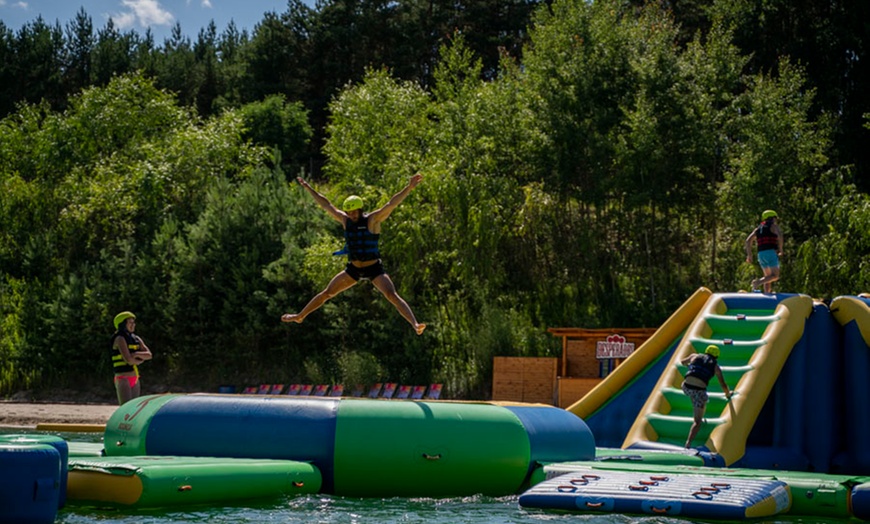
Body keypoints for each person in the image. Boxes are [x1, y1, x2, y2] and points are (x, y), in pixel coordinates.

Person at [282, 174, 427, 335]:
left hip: (374, 268)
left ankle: (414, 324)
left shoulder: (373, 220)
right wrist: (309, 188)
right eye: (349, 212)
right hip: (353, 269)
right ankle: (300, 316)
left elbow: (392, 204)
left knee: (391, 295)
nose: (351, 215)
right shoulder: (345, 221)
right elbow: (326, 205)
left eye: (354, 212)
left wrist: (409, 188)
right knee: (327, 293)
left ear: (360, 210)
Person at [681, 344, 732, 448]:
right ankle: (688, 443)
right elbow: (723, 384)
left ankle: (696, 403)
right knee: (697, 421)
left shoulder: (694, 356)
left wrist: (689, 365)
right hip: (699, 392)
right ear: (716, 356)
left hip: (686, 387)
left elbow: (682, 362)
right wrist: (728, 394)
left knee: (694, 394)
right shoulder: (715, 367)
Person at [111, 311, 153, 405]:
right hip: (123, 378)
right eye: (130, 322)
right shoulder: (120, 339)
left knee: (134, 408)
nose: (133, 325)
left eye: (133, 322)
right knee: (126, 407)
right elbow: (128, 360)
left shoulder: (136, 338)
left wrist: (136, 354)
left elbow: (149, 355)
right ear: (122, 324)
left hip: (135, 378)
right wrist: (139, 360)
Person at [744, 210, 783, 293]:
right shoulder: (773, 226)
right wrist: (781, 249)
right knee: (775, 276)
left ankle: (767, 294)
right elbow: (780, 236)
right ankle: (757, 282)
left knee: (767, 277)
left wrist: (749, 255)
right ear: (772, 218)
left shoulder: (758, 229)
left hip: (761, 254)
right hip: (770, 252)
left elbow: (748, 241)